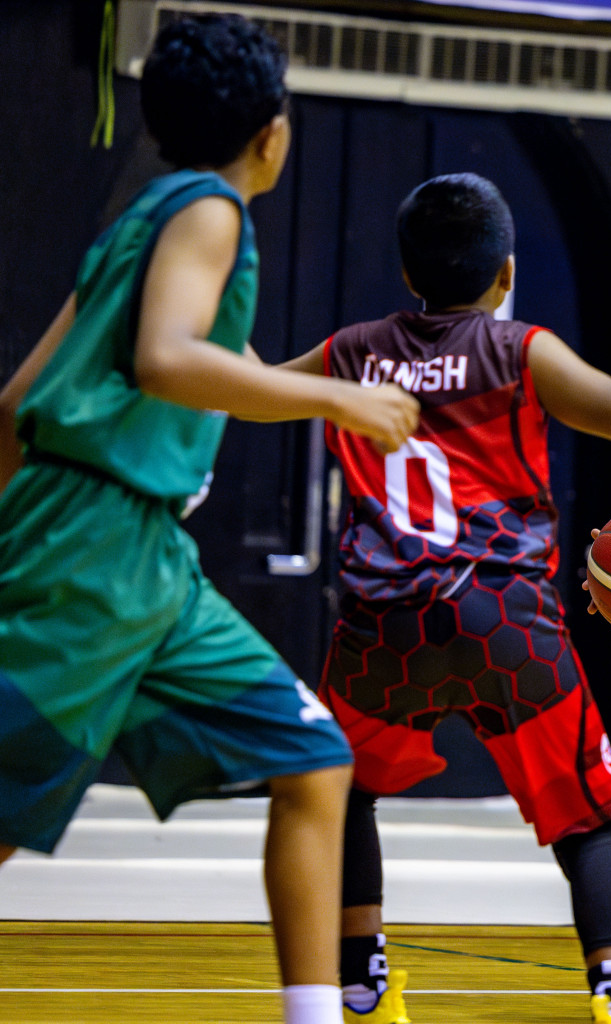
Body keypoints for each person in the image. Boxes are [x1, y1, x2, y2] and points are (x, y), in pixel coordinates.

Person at [280, 171, 611, 1024]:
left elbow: (251, 388)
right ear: (505, 275)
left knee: (340, 791)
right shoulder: (518, 348)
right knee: (591, 823)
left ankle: (361, 976)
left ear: (408, 274)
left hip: (385, 632)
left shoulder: (354, 348)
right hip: (506, 626)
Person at [0, 15, 419, 1024]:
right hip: (100, 549)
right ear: (273, 131)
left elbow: (19, 401)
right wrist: (338, 401)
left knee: (314, 757)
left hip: (133, 555)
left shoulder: (138, 219)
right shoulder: (211, 210)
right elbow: (167, 359)